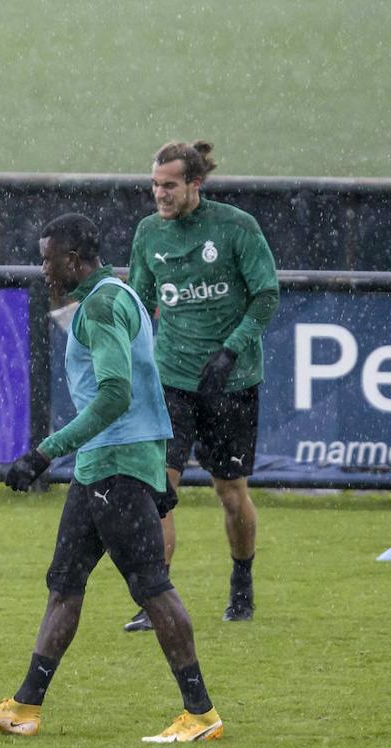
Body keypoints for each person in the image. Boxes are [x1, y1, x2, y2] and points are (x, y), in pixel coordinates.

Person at [0, 213, 222, 743]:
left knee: (152, 588)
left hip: (115, 466)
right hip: (106, 466)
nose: (44, 269)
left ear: (75, 260)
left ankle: (201, 714)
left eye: (48, 259)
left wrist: (44, 453)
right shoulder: (118, 294)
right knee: (64, 583)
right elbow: (148, 382)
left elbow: (115, 393)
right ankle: (25, 706)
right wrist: (155, 463)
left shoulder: (102, 304)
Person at [121, 141, 279, 632]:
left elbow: (266, 295)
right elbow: (142, 301)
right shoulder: (149, 233)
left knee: (230, 492)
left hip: (231, 381)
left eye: (169, 185)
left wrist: (231, 349)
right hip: (171, 380)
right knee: (158, 487)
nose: (159, 194)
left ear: (195, 183)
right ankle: (156, 596)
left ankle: (242, 578)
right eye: (154, 185)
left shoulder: (235, 227)